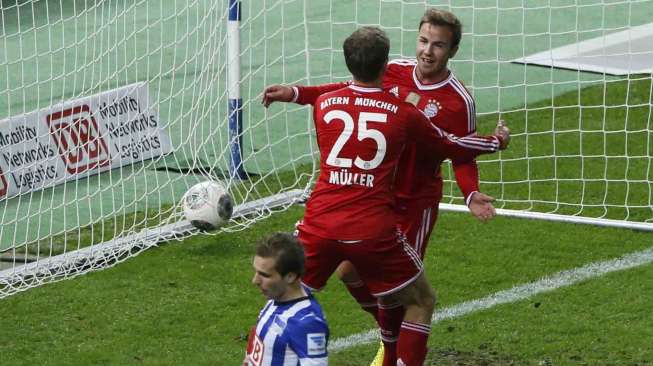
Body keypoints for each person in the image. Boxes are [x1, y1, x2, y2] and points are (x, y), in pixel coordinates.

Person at [262, 9, 504, 364]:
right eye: (423, 41)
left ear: (452, 51)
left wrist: (469, 193)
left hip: (415, 202)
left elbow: (461, 154)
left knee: (398, 293)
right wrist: (298, 92)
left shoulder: (458, 100)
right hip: (377, 200)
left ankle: (390, 349)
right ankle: (392, 335)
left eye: (438, 45)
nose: (427, 51)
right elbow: (349, 90)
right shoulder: (394, 72)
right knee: (352, 272)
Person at [244, 232, 329, 366]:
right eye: (256, 271)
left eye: (264, 275)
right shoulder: (276, 298)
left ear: (290, 277)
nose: (255, 280)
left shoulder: (306, 323)